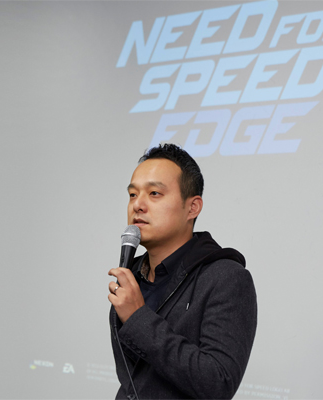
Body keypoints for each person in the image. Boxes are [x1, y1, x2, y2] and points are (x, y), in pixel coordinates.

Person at [107, 144, 257, 399]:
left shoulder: (226, 278)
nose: (137, 205)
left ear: (192, 207)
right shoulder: (133, 274)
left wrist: (138, 318)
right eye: (132, 194)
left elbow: (219, 383)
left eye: (154, 193)